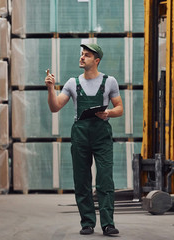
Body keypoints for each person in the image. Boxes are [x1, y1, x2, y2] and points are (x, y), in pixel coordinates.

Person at [45, 43, 123, 236]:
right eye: (82, 54)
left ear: (96, 60)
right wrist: (50, 89)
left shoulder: (109, 81)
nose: (82, 57)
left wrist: (109, 113)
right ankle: (87, 222)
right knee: (82, 180)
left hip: (101, 135)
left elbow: (120, 108)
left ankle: (108, 224)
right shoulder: (73, 83)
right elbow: (55, 107)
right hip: (80, 135)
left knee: (105, 179)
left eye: (86, 55)